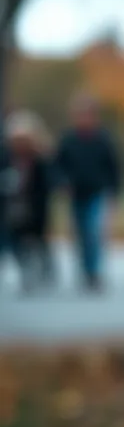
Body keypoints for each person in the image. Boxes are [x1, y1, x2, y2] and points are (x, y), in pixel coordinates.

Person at [55, 93, 121, 291]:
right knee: (81, 233)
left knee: (94, 231)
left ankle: (94, 271)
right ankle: (85, 269)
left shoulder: (103, 139)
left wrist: (115, 191)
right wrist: (62, 182)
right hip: (76, 194)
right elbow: (58, 166)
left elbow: (114, 167)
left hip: (97, 192)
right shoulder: (68, 140)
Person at [4, 110, 54, 293]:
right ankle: (26, 270)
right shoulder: (7, 158)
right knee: (17, 240)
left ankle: (43, 269)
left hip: (35, 207)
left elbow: (49, 180)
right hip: (14, 206)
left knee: (37, 240)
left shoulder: (40, 159)